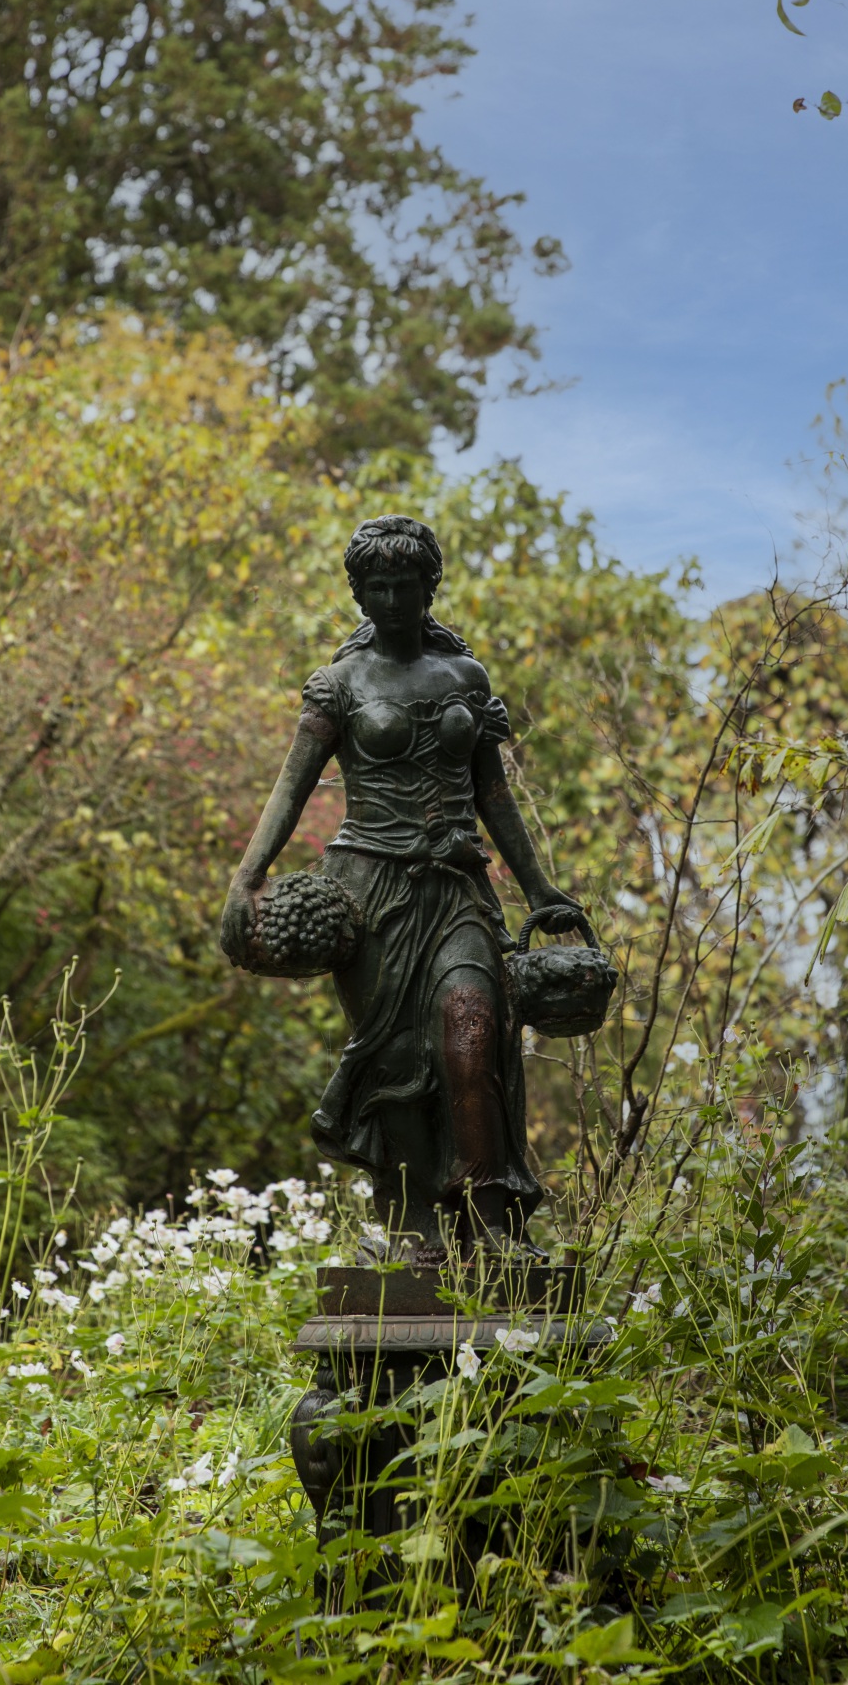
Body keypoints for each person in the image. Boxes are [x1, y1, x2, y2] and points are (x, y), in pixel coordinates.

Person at [220, 514, 591, 1260]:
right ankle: (412, 1227)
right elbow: (290, 790)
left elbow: (494, 797)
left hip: (456, 889)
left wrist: (541, 888)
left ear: (430, 587)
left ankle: (490, 1218)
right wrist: (246, 878)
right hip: (368, 892)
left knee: (470, 1031)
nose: (391, 599)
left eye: (406, 585)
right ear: (359, 592)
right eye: (376, 587)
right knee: (394, 1063)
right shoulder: (340, 685)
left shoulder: (466, 678)